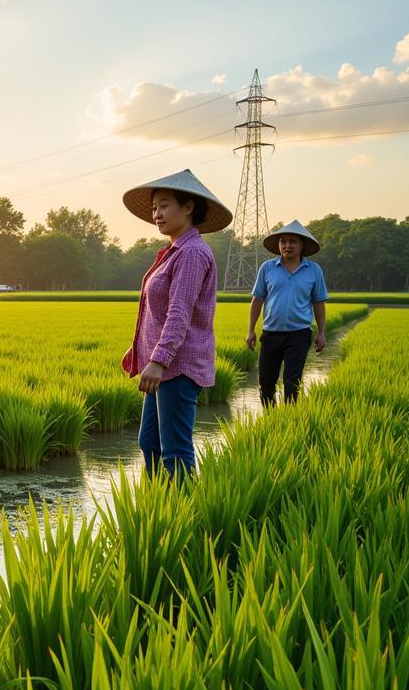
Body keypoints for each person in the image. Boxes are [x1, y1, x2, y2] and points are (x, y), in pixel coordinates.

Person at [120, 169, 232, 479]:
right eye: (154, 207)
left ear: (188, 207)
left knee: (175, 450)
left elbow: (179, 313)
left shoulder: (192, 253)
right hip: (164, 365)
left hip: (178, 367)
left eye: (165, 205)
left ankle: (183, 515)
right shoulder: (174, 251)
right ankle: (159, 505)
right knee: (149, 443)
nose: (156, 214)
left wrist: (158, 360)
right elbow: (156, 311)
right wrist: (139, 348)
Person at [246, 219, 328, 406]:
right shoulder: (267, 268)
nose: (287, 245)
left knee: (292, 384)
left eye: (293, 241)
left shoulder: (314, 271)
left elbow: (318, 303)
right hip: (271, 334)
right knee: (266, 384)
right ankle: (271, 422)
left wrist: (322, 332)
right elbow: (257, 300)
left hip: (298, 335)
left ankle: (288, 422)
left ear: (302, 246)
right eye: (283, 241)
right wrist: (250, 330)